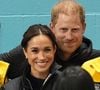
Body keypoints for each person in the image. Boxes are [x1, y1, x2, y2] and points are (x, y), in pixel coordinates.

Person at [0, 0, 100, 79]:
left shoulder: (96, 60)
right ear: (52, 28)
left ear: (84, 28)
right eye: (63, 29)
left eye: (75, 30)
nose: (69, 36)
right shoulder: (32, 53)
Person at [2, 24, 61, 90]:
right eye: (35, 51)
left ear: (54, 50)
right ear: (25, 52)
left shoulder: (69, 84)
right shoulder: (11, 88)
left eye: (47, 50)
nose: (41, 57)